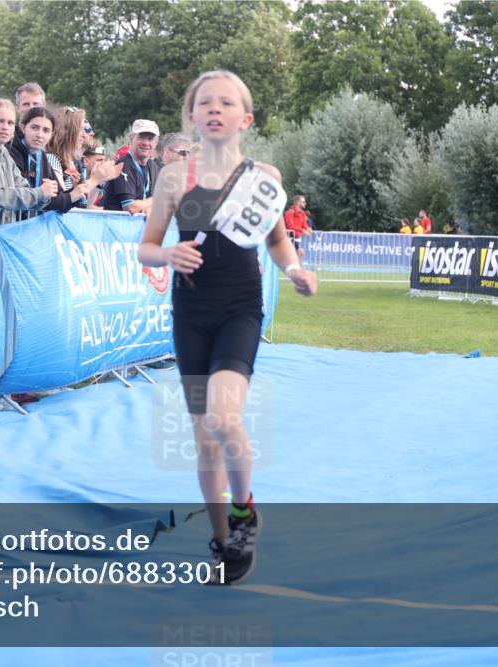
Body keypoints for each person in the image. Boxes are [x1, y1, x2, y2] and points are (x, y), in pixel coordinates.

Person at [138, 70, 317, 585]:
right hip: (191, 314)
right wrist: (167, 253)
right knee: (204, 438)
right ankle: (223, 542)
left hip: (240, 307)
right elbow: (146, 247)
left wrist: (296, 270)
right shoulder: (173, 177)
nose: (215, 110)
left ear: (246, 118)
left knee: (222, 416)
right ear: (191, 117)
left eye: (226, 103)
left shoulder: (264, 178)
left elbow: (278, 242)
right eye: (204, 103)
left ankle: (245, 511)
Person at [103, 119, 160, 214]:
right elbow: (130, 208)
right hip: (117, 226)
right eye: (141, 137)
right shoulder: (123, 165)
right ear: (131, 138)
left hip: (139, 227)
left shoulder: (153, 166)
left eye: (150, 139)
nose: (146, 143)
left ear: (156, 143)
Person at [283, 194, 312, 261]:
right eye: (303, 202)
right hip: (289, 236)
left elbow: (304, 225)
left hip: (297, 238)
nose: (305, 203)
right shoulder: (289, 212)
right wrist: (303, 230)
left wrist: (308, 229)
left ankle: (297, 270)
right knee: (300, 252)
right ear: (298, 202)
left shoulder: (302, 213)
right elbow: (291, 226)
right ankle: (298, 270)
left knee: (299, 254)